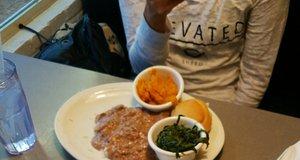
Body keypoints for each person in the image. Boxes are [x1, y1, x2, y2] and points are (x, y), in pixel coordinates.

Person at [118, 0, 289, 107]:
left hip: (223, 104)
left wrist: (235, 122)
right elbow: (141, 67)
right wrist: (154, 14)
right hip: (152, 99)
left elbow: (255, 75)